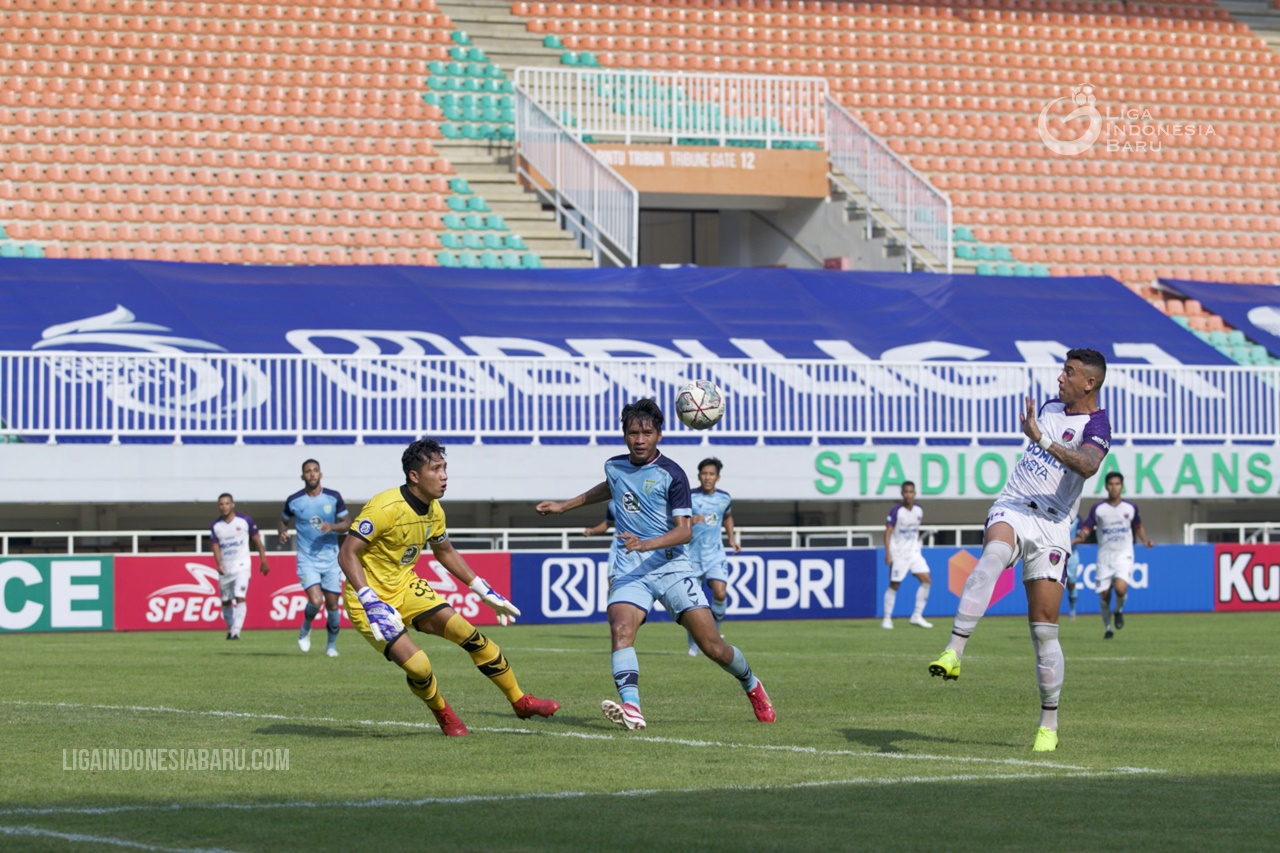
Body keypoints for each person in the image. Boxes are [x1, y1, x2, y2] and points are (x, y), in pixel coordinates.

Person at [535, 398, 774, 731]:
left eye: (647, 432)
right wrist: (564, 506)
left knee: (713, 647)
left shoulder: (672, 474)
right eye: (633, 432)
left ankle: (751, 683)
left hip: (672, 568)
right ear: (624, 435)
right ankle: (631, 707)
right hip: (630, 569)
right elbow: (610, 486)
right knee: (620, 630)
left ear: (659, 434)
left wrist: (645, 543)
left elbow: (684, 531)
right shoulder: (614, 466)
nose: (640, 439)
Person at [928, 348, 1111, 753]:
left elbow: (1087, 465)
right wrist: (1040, 433)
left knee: (1044, 630)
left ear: (1089, 383)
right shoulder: (1049, 406)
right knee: (991, 559)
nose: (1060, 378)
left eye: (1069, 372)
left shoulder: (1098, 424)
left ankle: (1049, 722)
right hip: (1013, 505)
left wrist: (1041, 438)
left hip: (1053, 525)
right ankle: (954, 651)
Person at [338, 439, 559, 737]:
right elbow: (346, 553)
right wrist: (370, 601)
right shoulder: (384, 507)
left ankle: (521, 701)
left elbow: (445, 551)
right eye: (436, 469)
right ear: (414, 476)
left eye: (444, 468)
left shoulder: (435, 510)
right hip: (368, 597)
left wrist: (482, 589)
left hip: (405, 586)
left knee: (470, 635)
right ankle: (443, 713)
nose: (444, 475)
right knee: (419, 666)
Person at [278, 459, 351, 657]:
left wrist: (333, 527)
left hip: (330, 559)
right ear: (302, 476)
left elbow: (347, 522)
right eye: (308, 471)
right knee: (316, 600)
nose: (312, 474)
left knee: (333, 605)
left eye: (315, 470)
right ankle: (306, 628)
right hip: (307, 559)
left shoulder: (333, 497)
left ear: (320, 474)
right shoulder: (294, 500)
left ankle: (331, 646)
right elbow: (282, 521)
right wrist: (282, 532)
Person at [1074, 472, 1153, 639]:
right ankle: (1108, 628)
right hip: (1104, 557)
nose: (1114, 487)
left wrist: (1145, 541)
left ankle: (1117, 610)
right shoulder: (1099, 509)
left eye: (1117, 484)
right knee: (1105, 595)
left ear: (1122, 486)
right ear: (1106, 486)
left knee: (1120, 588)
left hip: (1124, 555)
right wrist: (1078, 538)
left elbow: (1138, 526)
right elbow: (1087, 527)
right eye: (1111, 484)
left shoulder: (1130, 507)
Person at [686, 457, 740, 656]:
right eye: (704, 474)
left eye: (711, 474)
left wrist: (732, 539)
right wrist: (691, 520)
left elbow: (727, 516)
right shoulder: (688, 496)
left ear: (718, 477)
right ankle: (694, 640)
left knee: (720, 593)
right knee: (693, 604)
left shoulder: (724, 498)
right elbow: (672, 520)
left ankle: (714, 634)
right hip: (691, 557)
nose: (707, 477)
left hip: (715, 554)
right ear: (699, 475)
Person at [210, 493, 270, 640]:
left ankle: (236, 631)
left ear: (233, 504)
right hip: (226, 568)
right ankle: (231, 629)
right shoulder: (216, 526)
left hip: (242, 566)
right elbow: (215, 546)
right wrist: (219, 564)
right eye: (221, 504)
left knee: (239, 596)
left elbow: (257, 540)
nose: (224, 507)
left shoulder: (244, 521)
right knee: (225, 601)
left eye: (227, 503)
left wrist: (263, 559)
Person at [882, 480, 932, 630]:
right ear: (902, 494)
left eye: (911, 492)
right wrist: (888, 552)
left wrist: (916, 546)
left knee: (927, 580)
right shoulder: (896, 511)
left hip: (914, 553)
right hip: (898, 554)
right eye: (906, 492)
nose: (908, 495)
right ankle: (886, 619)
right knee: (894, 585)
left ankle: (917, 616)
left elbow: (915, 531)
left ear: (914, 493)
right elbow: (888, 531)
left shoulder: (919, 510)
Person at [1064, 514, 1083, 620]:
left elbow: (1082, 536)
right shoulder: (1056, 511)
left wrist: (1073, 541)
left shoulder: (1077, 518)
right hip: (1056, 554)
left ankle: (1072, 610)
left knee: (1071, 583)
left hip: (1072, 555)